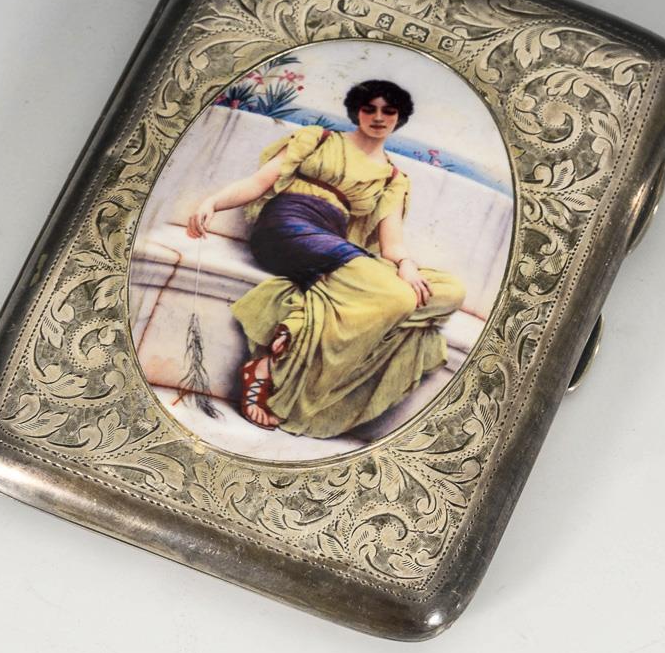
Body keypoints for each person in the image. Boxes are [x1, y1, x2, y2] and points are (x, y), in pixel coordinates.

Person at [186, 79, 466, 439]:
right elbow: (258, 183)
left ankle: (301, 319)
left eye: (388, 111)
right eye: (369, 109)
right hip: (286, 229)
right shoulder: (319, 139)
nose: (378, 117)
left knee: (448, 292)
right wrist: (213, 202)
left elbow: (392, 244)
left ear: (399, 118)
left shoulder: (393, 178)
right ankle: (270, 367)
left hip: (332, 244)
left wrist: (407, 265)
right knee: (398, 297)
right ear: (356, 112)